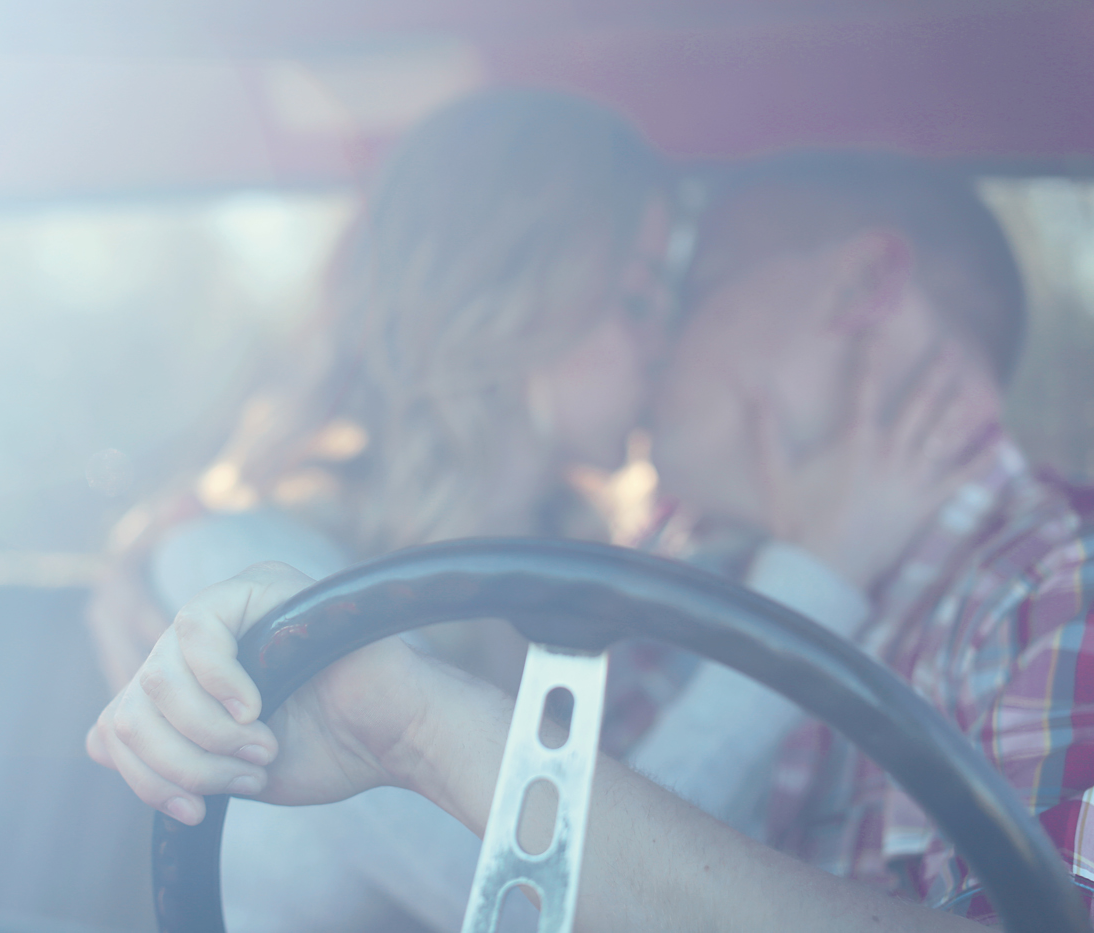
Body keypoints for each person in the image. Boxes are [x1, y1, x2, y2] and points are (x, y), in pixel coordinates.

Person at [89, 154, 1094, 930]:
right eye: (636, 303)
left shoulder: (1057, 586)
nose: (657, 349)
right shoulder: (671, 566)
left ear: (859, 286)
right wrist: (159, 550)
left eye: (683, 290)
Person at [88, 87, 673, 933]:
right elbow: (526, 910)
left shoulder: (595, 584)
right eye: (638, 298)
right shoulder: (243, 567)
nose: (661, 341)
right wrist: (819, 574)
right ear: (520, 298)